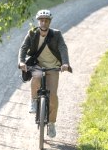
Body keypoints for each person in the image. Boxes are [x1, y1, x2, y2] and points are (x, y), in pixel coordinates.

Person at [18, 9, 71, 138]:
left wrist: (65, 63)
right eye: (41, 20)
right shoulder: (32, 33)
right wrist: (21, 62)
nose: (43, 22)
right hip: (38, 65)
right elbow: (23, 48)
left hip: (53, 67)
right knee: (35, 77)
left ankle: (52, 123)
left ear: (49, 22)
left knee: (53, 96)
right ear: (38, 21)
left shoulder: (56, 34)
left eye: (46, 20)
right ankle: (34, 100)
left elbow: (63, 48)